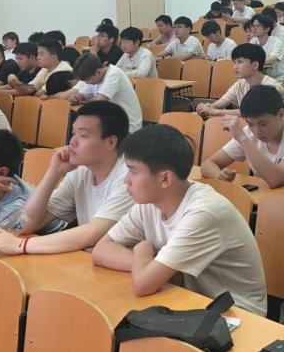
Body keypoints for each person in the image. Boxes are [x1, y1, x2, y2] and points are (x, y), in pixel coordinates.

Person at [90, 125, 267, 312]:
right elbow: (101, 250)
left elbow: (142, 284)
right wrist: (146, 265)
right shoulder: (149, 202)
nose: (126, 179)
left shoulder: (203, 213)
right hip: (188, 302)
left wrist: (144, 249)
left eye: (133, 171)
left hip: (236, 315)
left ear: (165, 179)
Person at [0, 101, 134, 255]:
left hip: (123, 266)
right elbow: (27, 222)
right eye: (73, 133)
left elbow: (93, 234)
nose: (72, 141)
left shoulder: (129, 177)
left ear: (111, 142)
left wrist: (20, 245)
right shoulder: (81, 172)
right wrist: (54, 171)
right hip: (92, 261)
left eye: (83, 135)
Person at [202, 84, 284, 188]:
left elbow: (276, 180)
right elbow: (208, 165)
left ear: (281, 115)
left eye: (263, 124)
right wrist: (219, 176)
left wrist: (242, 139)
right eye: (250, 124)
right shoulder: (248, 132)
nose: (257, 131)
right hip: (269, 198)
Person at [58, 53, 143, 133]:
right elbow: (81, 95)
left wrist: (83, 101)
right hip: (111, 121)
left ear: (98, 71)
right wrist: (76, 97)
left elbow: (99, 101)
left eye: (88, 79)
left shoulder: (114, 74)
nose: (87, 82)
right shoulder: (94, 78)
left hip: (128, 126)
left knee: (84, 130)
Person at [197, 43, 284, 118]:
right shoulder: (240, 84)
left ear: (255, 65)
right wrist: (206, 107)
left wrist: (216, 112)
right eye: (234, 62)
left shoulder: (272, 87)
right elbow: (220, 103)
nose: (235, 67)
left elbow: (254, 113)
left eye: (240, 62)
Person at [247, 14, 284, 82]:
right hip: (264, 78)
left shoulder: (276, 42)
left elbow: (271, 60)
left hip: (281, 79)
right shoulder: (253, 41)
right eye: (253, 26)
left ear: (267, 29)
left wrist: (251, 64)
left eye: (258, 26)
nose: (254, 28)